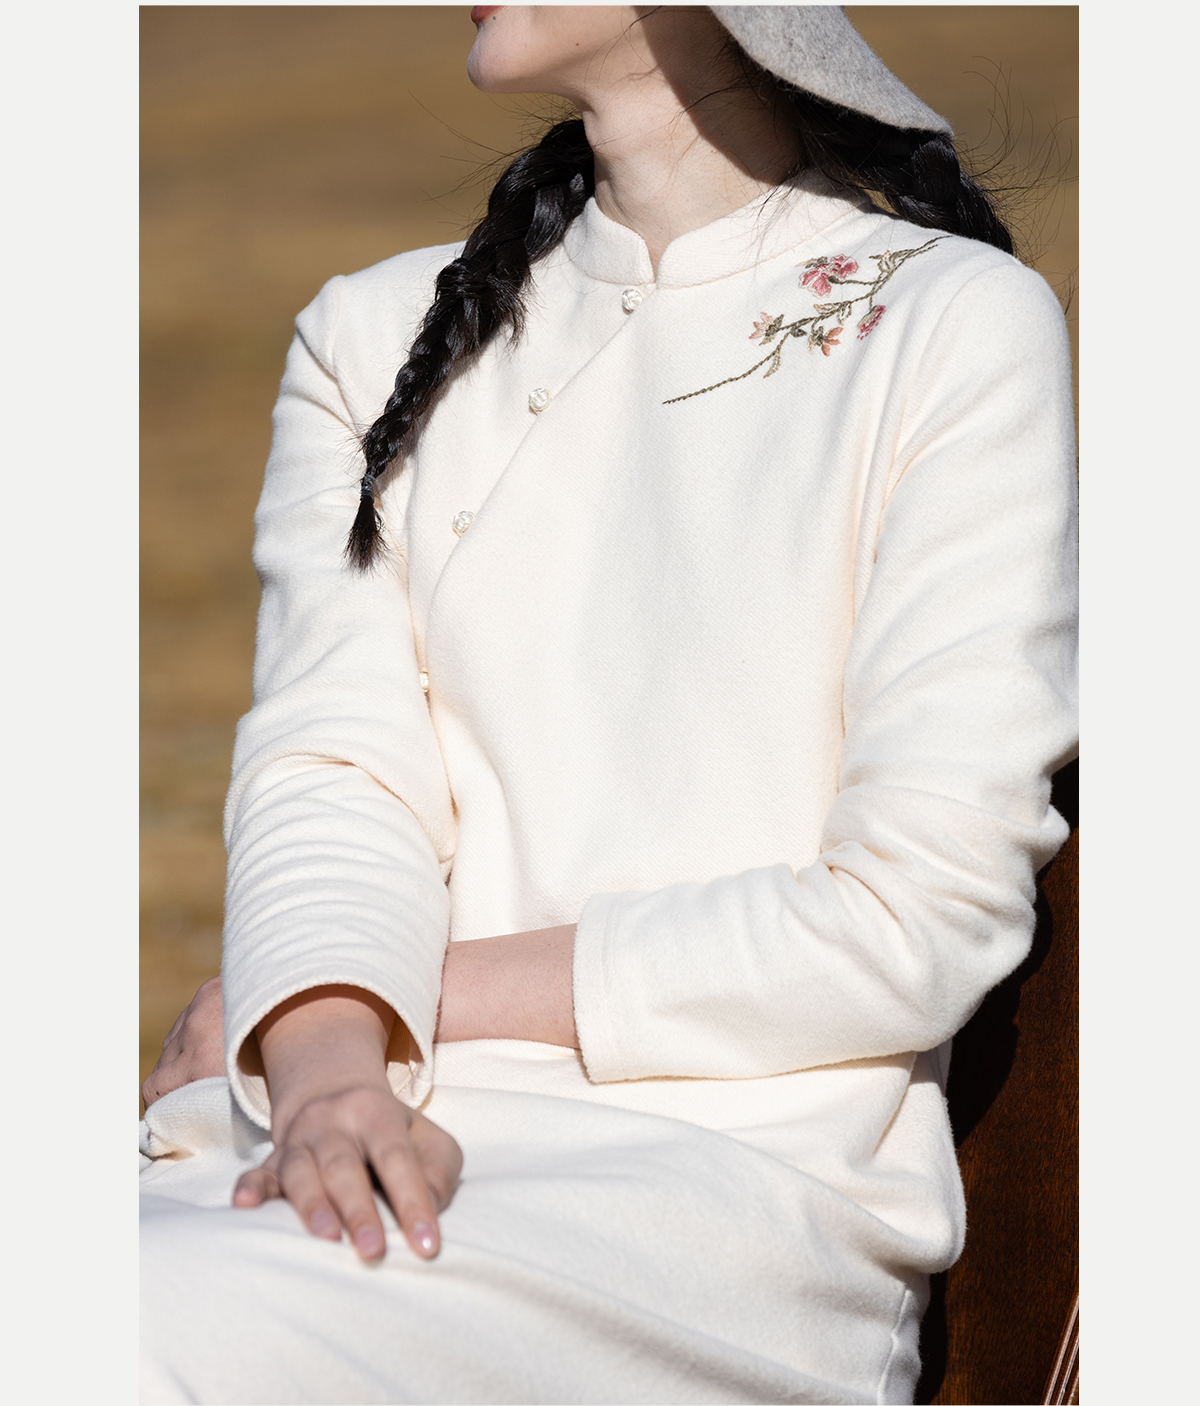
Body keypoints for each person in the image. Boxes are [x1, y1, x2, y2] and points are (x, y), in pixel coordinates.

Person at [139, 7, 1077, 1403]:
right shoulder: (371, 337)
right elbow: (333, 781)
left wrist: (390, 1001)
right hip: (339, 1126)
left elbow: (913, 916)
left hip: (726, 1199)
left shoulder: (949, 326)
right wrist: (330, 1080)